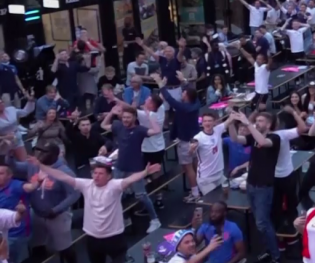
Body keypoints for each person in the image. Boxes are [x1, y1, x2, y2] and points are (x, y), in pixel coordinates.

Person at [35, 160, 162, 263]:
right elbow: (62, 176)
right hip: (93, 239)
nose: (96, 176)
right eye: (95, 173)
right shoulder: (86, 185)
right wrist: (40, 165)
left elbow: (130, 179)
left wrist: (145, 172)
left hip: (114, 238)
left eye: (100, 174)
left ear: (109, 176)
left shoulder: (114, 186)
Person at [227, 111, 282, 263]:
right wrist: (231, 123)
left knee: (262, 223)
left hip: (264, 187)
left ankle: (276, 255)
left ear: (269, 124)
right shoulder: (253, 136)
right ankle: (268, 249)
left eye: (260, 121)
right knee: (261, 222)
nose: (257, 123)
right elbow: (235, 138)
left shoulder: (275, 138)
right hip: (251, 184)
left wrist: (248, 123)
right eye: (256, 120)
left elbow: (263, 142)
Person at [100, 105, 162, 233]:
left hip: (135, 168)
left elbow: (156, 130)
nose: (125, 119)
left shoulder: (139, 130)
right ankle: (125, 218)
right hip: (119, 167)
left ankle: (155, 220)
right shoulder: (118, 126)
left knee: (141, 195)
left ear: (134, 118)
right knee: (116, 194)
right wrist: (111, 113)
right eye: (124, 117)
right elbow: (103, 125)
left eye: (128, 117)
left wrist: (149, 115)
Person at [152, 74, 201, 202]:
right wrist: (184, 81)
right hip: (196, 139)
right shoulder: (196, 103)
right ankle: (200, 188)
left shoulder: (182, 107)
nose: (182, 93)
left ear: (187, 96)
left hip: (185, 141)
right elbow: (192, 93)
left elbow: (169, 98)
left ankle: (195, 194)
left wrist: (161, 85)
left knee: (188, 168)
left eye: (184, 92)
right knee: (196, 164)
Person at [191, 113, 236, 198]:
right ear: (202, 123)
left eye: (209, 121)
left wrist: (232, 112)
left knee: (226, 196)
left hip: (219, 175)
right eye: (205, 121)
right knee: (213, 201)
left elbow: (229, 120)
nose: (207, 123)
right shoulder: (198, 137)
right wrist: (192, 148)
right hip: (206, 178)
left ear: (214, 122)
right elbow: (191, 149)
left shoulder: (217, 130)